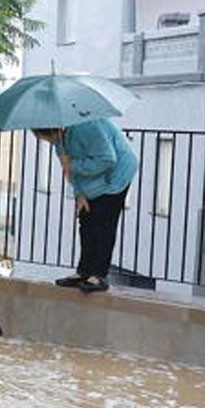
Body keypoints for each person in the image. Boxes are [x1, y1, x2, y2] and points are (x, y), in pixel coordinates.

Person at [33, 118, 138, 293]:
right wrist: (79, 194)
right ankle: (84, 271)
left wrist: (73, 165)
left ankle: (99, 275)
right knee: (85, 219)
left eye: (45, 137)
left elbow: (107, 158)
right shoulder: (60, 141)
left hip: (118, 172)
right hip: (95, 177)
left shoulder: (87, 126)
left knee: (103, 223)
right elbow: (70, 173)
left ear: (52, 130)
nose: (47, 142)